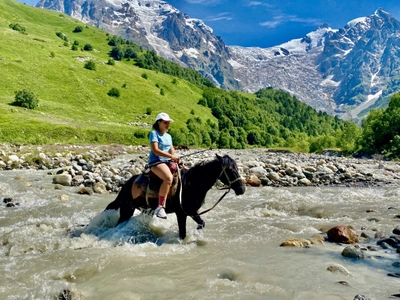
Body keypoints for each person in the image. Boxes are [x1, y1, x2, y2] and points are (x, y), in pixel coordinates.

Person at [148, 112, 180, 219]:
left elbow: (172, 151)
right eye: (165, 122)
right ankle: (160, 207)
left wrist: (176, 158)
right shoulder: (154, 133)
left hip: (167, 161)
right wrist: (171, 156)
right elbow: (156, 150)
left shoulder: (169, 136)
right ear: (159, 122)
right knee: (168, 178)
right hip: (156, 162)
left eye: (168, 123)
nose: (168, 125)